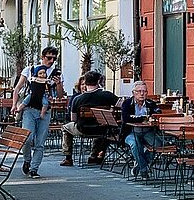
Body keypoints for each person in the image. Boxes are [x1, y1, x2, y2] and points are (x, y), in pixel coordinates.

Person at [13, 47, 63, 178]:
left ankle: (34, 169)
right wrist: (14, 104)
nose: (51, 61)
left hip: (45, 111)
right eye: (49, 58)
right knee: (27, 138)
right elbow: (18, 87)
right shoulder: (30, 70)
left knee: (40, 142)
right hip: (29, 110)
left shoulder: (57, 73)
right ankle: (27, 160)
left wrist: (58, 85)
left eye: (54, 58)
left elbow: (60, 95)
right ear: (42, 57)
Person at [60, 71, 119, 166]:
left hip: (83, 129)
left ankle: (68, 157)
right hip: (102, 129)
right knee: (103, 128)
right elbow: (121, 104)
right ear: (98, 81)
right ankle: (94, 156)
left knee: (65, 128)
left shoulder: (78, 99)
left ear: (85, 82)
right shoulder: (107, 95)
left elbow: (73, 119)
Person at [120, 81, 160, 178]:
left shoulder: (151, 103)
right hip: (131, 132)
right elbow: (126, 119)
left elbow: (158, 114)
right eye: (139, 91)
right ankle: (143, 169)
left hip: (147, 131)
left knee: (158, 144)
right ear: (133, 93)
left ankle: (140, 164)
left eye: (144, 91)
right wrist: (143, 118)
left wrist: (153, 116)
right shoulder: (127, 103)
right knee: (135, 144)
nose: (142, 94)